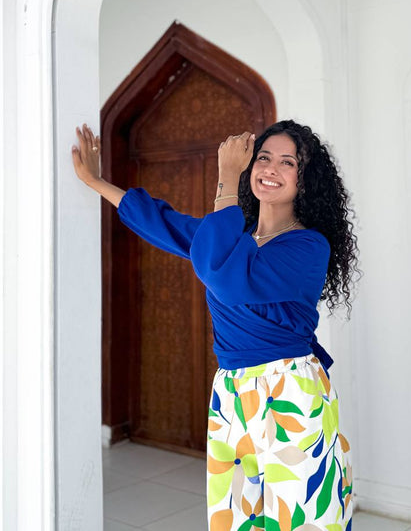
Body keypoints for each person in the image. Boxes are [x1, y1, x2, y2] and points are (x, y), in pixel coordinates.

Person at [72, 119, 362, 531]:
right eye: (263, 158)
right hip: (231, 390)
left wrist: (227, 175)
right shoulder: (233, 238)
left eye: (287, 162)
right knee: (237, 516)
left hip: (290, 388)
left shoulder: (309, 246)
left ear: (306, 178)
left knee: (302, 517)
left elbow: (226, 276)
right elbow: (164, 223)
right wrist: (96, 182)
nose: (270, 168)